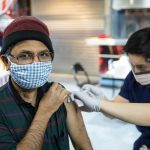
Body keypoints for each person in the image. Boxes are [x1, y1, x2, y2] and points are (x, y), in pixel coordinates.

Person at [0, 16, 92, 150]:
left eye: (43, 55)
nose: (36, 63)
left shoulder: (58, 92)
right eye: (25, 55)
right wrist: (44, 112)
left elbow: (83, 147)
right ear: (6, 62)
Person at [72, 28, 150, 150]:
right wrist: (103, 101)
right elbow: (116, 110)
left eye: (142, 67)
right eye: (132, 65)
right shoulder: (133, 79)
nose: (135, 72)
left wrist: (101, 104)